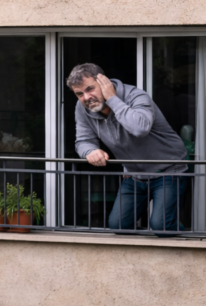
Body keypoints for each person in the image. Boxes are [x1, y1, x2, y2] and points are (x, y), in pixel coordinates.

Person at [67, 62, 189, 234]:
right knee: (119, 225)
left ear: (104, 82)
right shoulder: (82, 108)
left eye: (90, 89)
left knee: (162, 226)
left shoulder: (136, 96)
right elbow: (83, 140)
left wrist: (112, 99)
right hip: (134, 174)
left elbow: (140, 128)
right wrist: (90, 151)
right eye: (79, 94)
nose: (86, 98)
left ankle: (185, 234)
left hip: (168, 170)